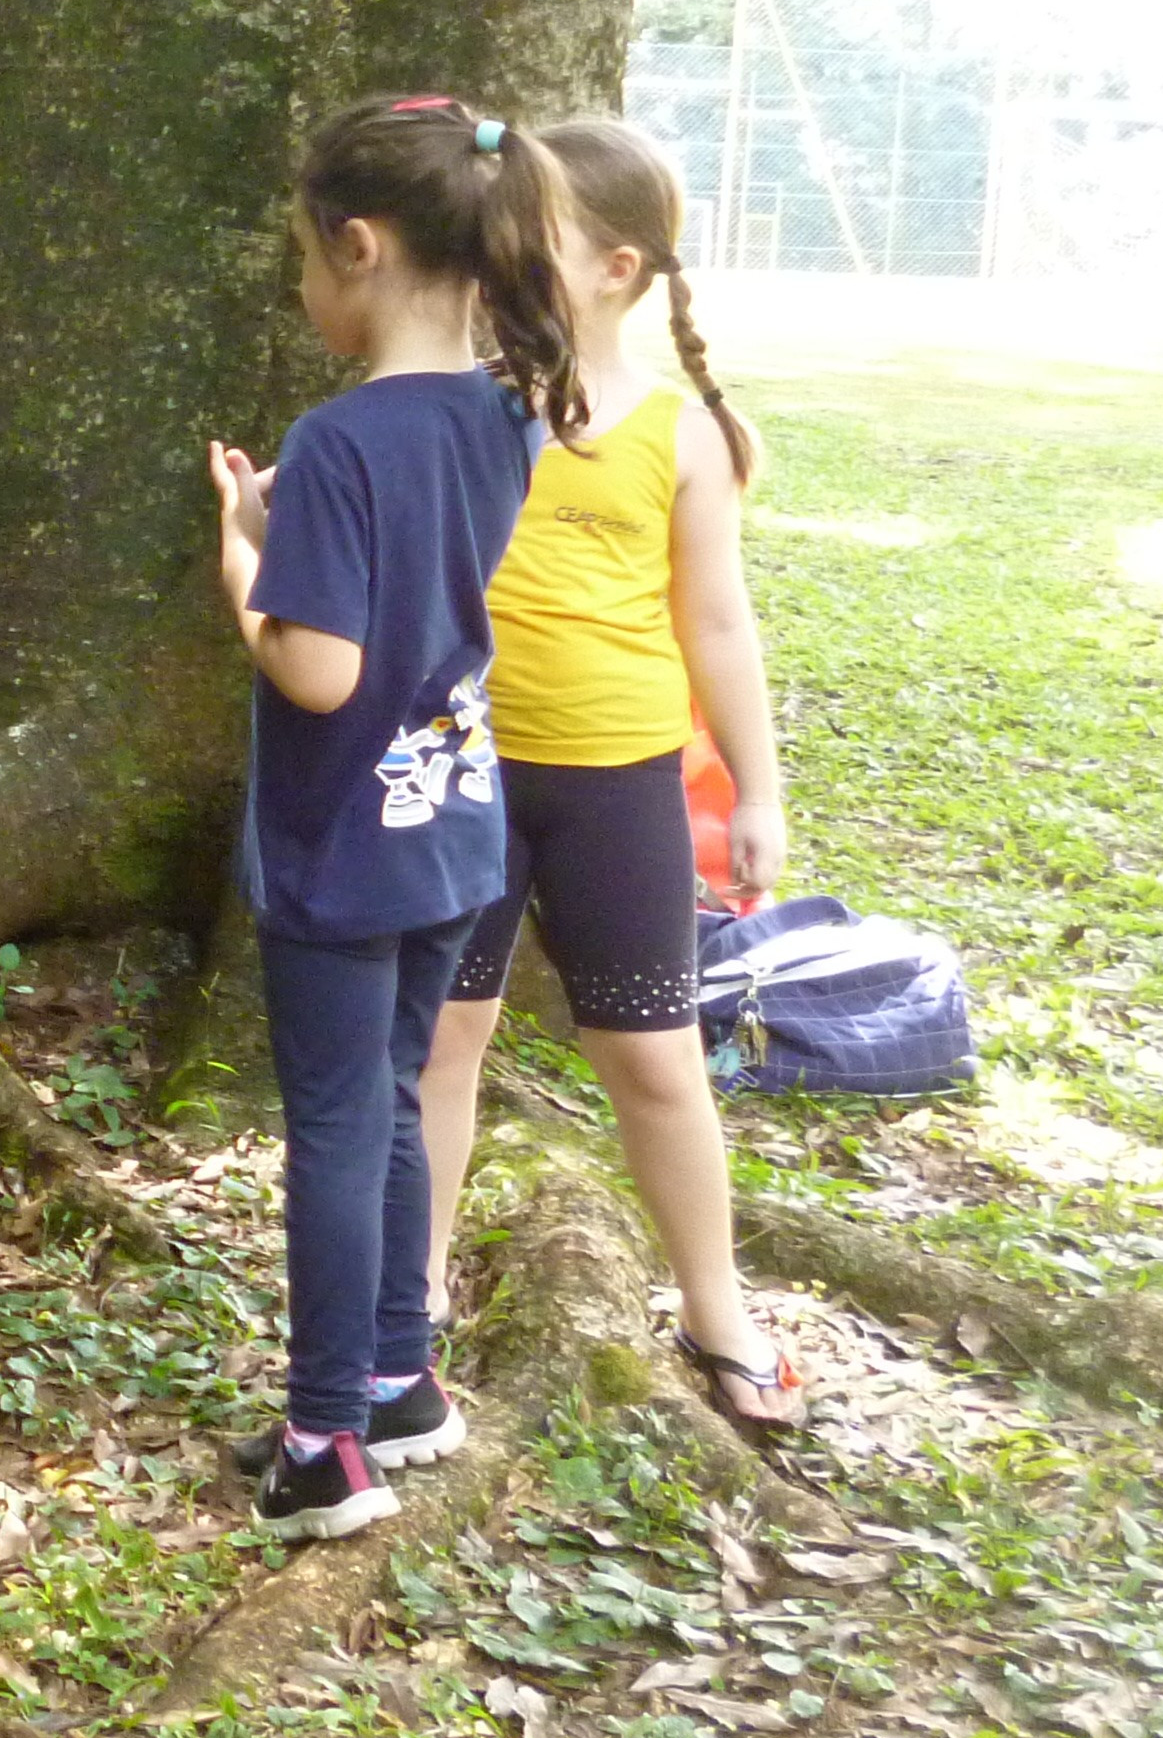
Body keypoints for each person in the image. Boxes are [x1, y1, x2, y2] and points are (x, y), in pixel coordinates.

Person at [207, 96, 586, 1539]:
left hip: (342, 845)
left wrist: (243, 562)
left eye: (305, 259)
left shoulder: (339, 439)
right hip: (455, 830)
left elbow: (319, 670)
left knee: (335, 1120)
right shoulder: (506, 413)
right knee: (401, 1092)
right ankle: (398, 1379)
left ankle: (324, 1443)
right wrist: (295, 524)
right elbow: (410, 555)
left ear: (357, 248)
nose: (305, 287)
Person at [412, 121, 807, 1435]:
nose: (494, 259)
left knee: (653, 1054)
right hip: (462, 772)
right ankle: (410, 1298)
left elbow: (719, 625)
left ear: (617, 267)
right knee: (442, 1038)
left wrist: (757, 792)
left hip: (617, 788)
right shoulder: (464, 405)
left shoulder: (685, 437)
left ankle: (716, 1306)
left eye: (527, 238)